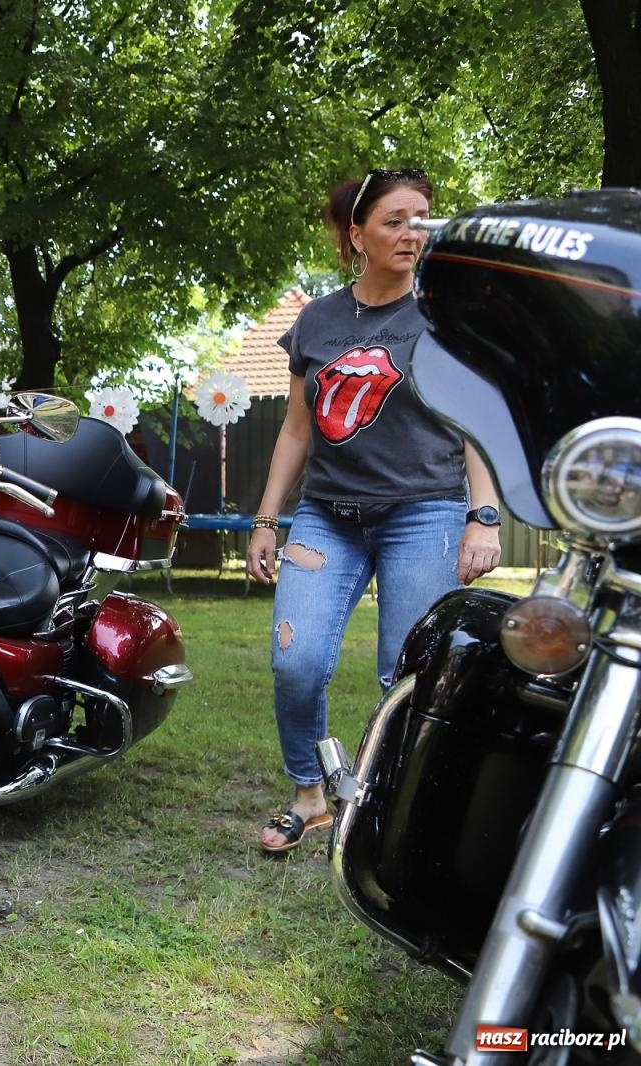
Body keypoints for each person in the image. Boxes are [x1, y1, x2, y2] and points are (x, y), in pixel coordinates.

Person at [244, 168, 502, 854]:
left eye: (422, 218)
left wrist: (484, 514)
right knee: (295, 661)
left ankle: (394, 803)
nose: (412, 232)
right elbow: (296, 430)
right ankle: (310, 794)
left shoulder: (444, 312)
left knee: (407, 670)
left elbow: (475, 421)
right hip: (329, 516)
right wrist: (267, 520)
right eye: (395, 220)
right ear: (356, 235)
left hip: (427, 510)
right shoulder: (318, 320)